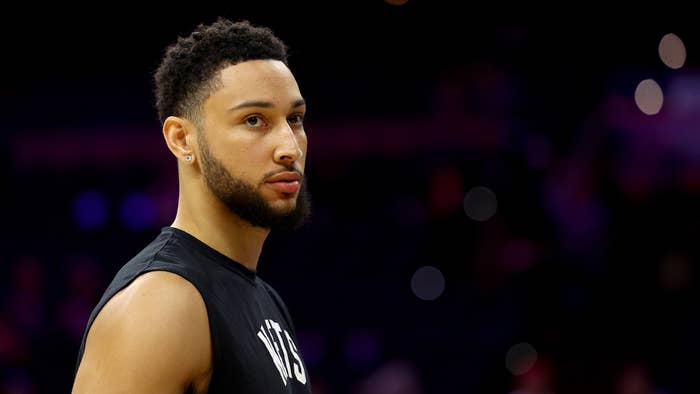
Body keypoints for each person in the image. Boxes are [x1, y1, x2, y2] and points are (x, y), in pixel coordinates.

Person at [72, 17, 312, 393]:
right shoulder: (161, 304)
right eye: (254, 120)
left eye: (295, 119)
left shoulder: (265, 298)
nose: (290, 147)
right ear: (182, 139)